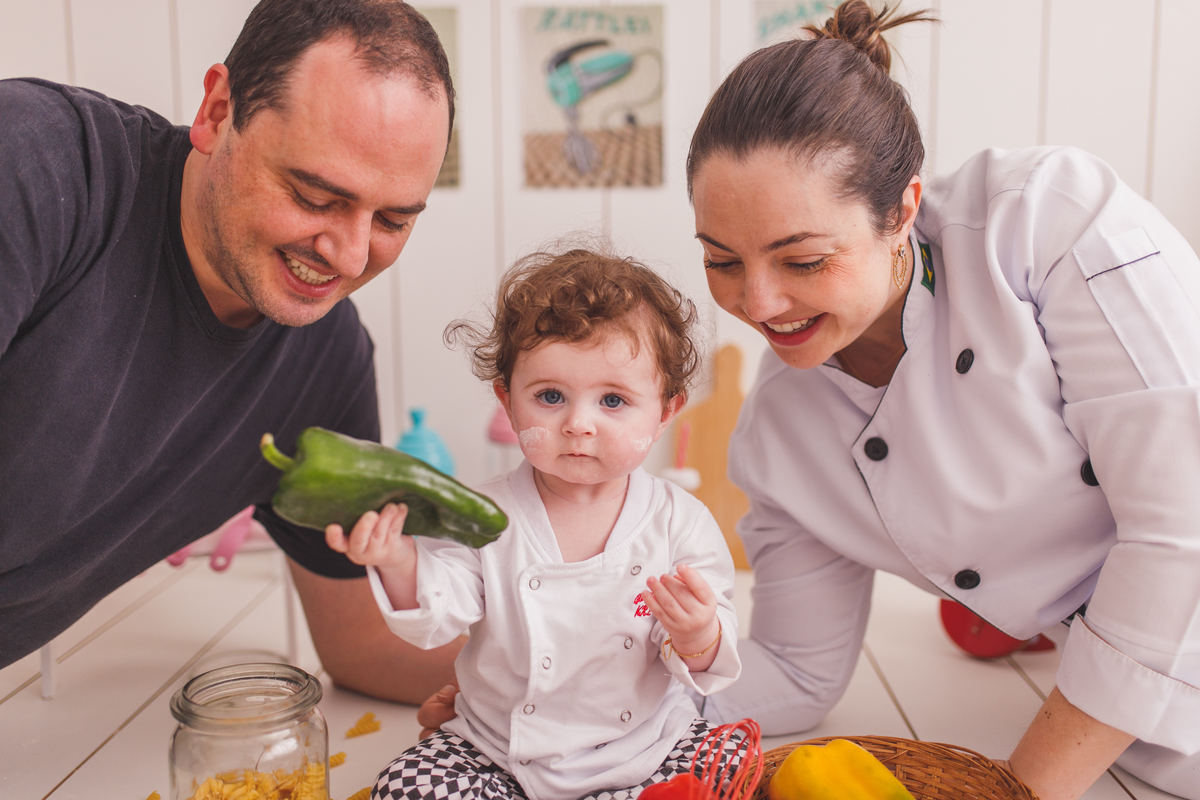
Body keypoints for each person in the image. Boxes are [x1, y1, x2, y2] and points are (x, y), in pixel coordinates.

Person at [679, 2, 1200, 799]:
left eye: (804, 261)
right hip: (1133, 734)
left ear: (903, 211)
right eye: (722, 261)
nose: (758, 303)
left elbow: (1183, 527)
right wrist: (580, 711)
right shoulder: (781, 433)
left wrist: (1019, 790)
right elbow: (794, 670)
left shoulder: (1046, 224)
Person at [0, 0, 462, 704]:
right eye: (315, 196)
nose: (350, 256)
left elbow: (361, 644)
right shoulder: (37, 163)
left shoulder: (329, 365)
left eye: (393, 220)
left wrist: (575, 672)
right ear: (218, 112)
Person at [325, 249, 742, 800]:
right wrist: (399, 560)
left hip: (642, 747)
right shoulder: (484, 515)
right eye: (550, 397)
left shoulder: (679, 522)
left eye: (612, 400)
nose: (578, 424)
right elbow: (437, 616)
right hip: (497, 748)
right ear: (508, 401)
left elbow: (709, 652)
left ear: (665, 412)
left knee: (726, 762)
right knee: (403, 787)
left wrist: (698, 634)